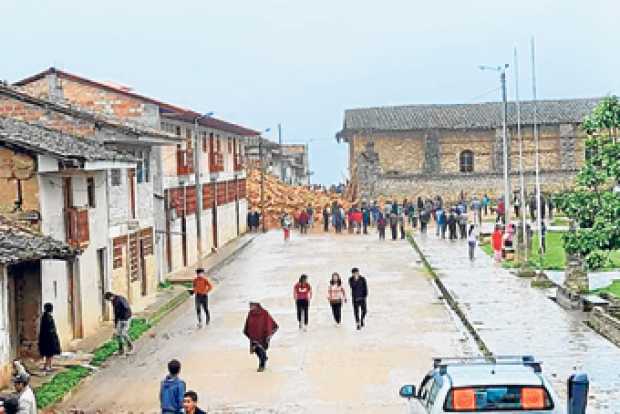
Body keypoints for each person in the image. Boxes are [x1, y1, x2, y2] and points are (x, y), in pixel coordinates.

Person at [243, 302, 278, 372]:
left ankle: (262, 364)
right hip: (253, 335)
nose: (251, 307)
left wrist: (267, 331)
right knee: (256, 350)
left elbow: (269, 322)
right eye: (250, 306)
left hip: (262, 335)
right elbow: (248, 322)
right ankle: (264, 358)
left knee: (261, 349)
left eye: (252, 306)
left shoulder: (264, 313)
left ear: (257, 305)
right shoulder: (250, 313)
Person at [38, 303, 61, 372]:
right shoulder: (46, 317)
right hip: (48, 337)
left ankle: (48, 365)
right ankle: (47, 366)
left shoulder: (47, 316)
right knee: (49, 352)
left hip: (48, 337)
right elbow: (48, 328)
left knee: (50, 352)